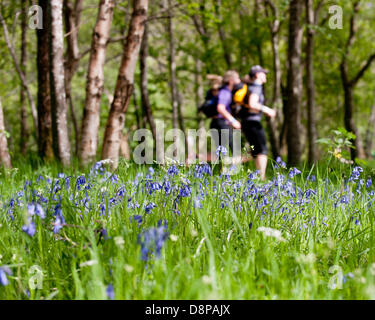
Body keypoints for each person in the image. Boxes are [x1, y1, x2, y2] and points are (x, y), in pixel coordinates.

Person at [239, 65, 276, 180]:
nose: (265, 75)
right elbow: (252, 103)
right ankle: (261, 179)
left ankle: (231, 163)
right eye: (263, 73)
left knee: (253, 152)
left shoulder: (251, 86)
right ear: (257, 75)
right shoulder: (256, 86)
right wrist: (267, 110)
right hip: (252, 122)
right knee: (262, 150)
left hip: (248, 122)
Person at [210, 70, 241, 157]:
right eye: (237, 78)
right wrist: (233, 121)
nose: (239, 81)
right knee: (235, 150)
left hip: (217, 123)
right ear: (231, 81)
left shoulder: (223, 91)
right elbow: (220, 108)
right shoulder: (225, 92)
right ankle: (237, 169)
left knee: (220, 152)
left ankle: (221, 170)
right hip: (222, 123)